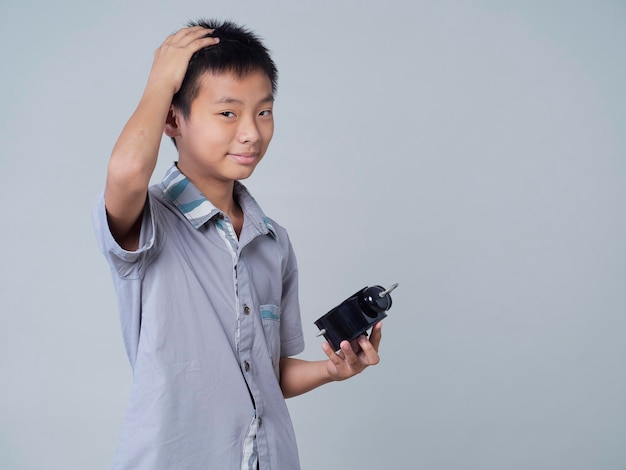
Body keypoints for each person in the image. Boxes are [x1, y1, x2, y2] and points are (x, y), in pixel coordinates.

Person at [93, 19, 383, 470]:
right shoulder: (148, 223)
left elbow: (270, 372)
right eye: (228, 113)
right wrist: (160, 83)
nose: (251, 131)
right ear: (173, 119)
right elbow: (127, 172)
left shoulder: (273, 242)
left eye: (263, 112)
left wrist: (332, 370)